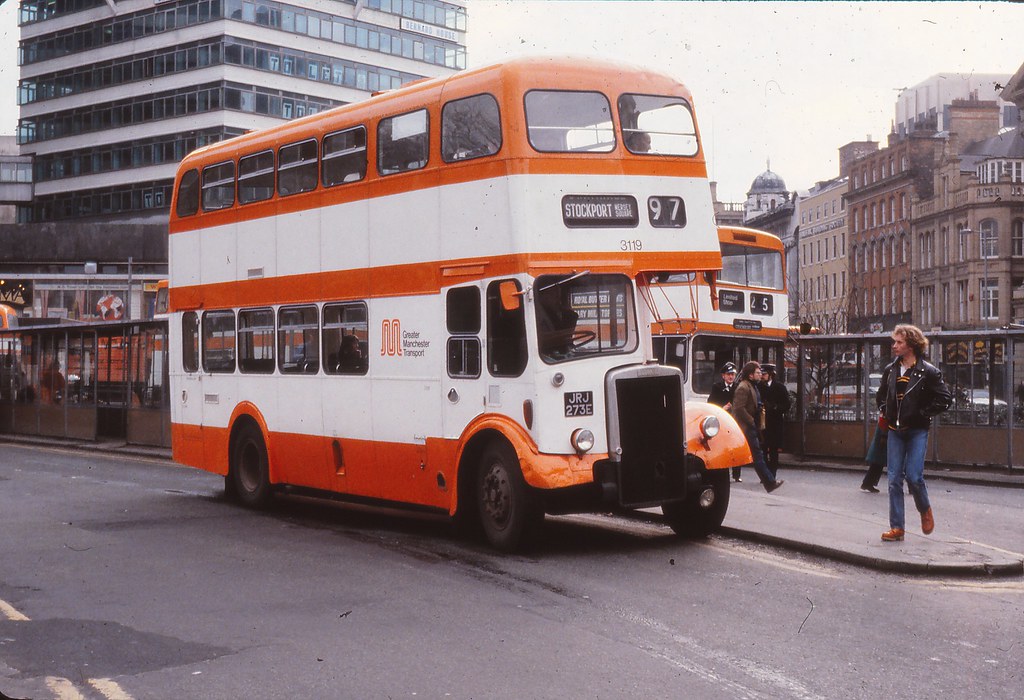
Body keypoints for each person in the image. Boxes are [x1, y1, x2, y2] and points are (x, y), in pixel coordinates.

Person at [876, 324, 952, 542]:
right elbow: (881, 396)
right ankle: (897, 528)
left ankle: (925, 509)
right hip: (894, 430)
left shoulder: (928, 372)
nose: (894, 346)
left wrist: (922, 414)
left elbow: (944, 399)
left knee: (914, 476)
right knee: (893, 480)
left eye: (899, 342)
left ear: (911, 344)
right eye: (895, 342)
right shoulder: (891, 370)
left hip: (916, 430)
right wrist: (885, 410)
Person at [730, 361, 784, 493]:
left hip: (752, 427)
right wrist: (751, 421)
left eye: (761, 373)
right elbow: (738, 408)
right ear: (750, 375)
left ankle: (769, 482)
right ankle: (770, 482)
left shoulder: (753, 386)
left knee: (756, 455)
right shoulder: (743, 387)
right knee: (757, 455)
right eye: (758, 373)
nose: (760, 375)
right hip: (746, 427)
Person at [708, 362, 741, 482]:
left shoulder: (738, 387)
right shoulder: (717, 387)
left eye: (732, 374)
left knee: (735, 445)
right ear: (723, 376)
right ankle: (722, 472)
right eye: (728, 374)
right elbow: (710, 403)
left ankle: (737, 474)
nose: (731, 377)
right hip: (721, 419)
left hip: (734, 420)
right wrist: (722, 408)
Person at [758, 363, 791, 477]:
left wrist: (776, 407)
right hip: (762, 422)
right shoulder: (759, 387)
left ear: (771, 374)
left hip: (775, 423)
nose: (762, 376)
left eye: (764, 374)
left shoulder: (780, 387)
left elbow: (787, 404)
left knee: (773, 450)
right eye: (761, 374)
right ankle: (765, 474)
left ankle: (772, 473)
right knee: (762, 450)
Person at [860, 414, 888, 493]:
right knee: (878, 461)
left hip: (883, 433)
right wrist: (884, 435)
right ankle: (868, 483)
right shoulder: (887, 408)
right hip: (884, 434)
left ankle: (868, 483)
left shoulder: (884, 407)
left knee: (878, 461)